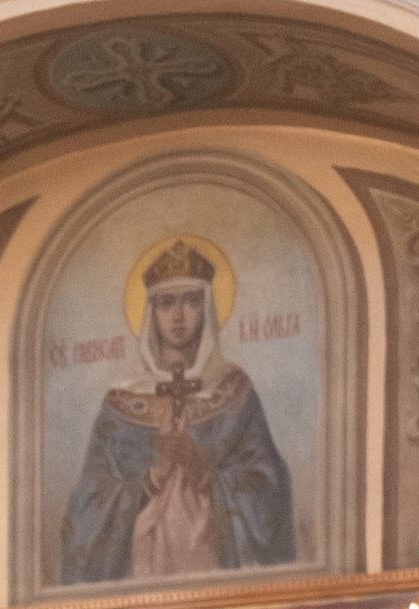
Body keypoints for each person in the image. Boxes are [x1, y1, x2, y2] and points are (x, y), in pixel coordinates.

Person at [57, 235, 296, 585]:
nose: (178, 317)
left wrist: (203, 470)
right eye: (166, 303)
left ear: (207, 308)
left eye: (190, 301)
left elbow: (269, 491)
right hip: (139, 578)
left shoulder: (235, 392)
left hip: (215, 572)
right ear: (151, 312)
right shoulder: (121, 402)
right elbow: (85, 511)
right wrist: (152, 479)